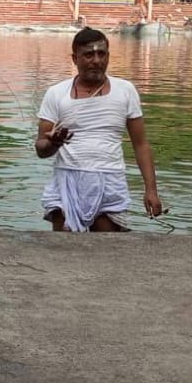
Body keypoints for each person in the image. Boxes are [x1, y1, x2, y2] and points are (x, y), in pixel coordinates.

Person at [35, 27, 163, 232]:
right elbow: (41, 149)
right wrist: (54, 143)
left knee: (106, 252)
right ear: (74, 59)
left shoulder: (125, 91)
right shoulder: (56, 93)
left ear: (108, 56)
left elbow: (141, 145)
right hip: (67, 179)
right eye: (88, 55)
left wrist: (151, 190)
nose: (96, 60)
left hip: (109, 178)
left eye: (101, 54)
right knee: (62, 251)